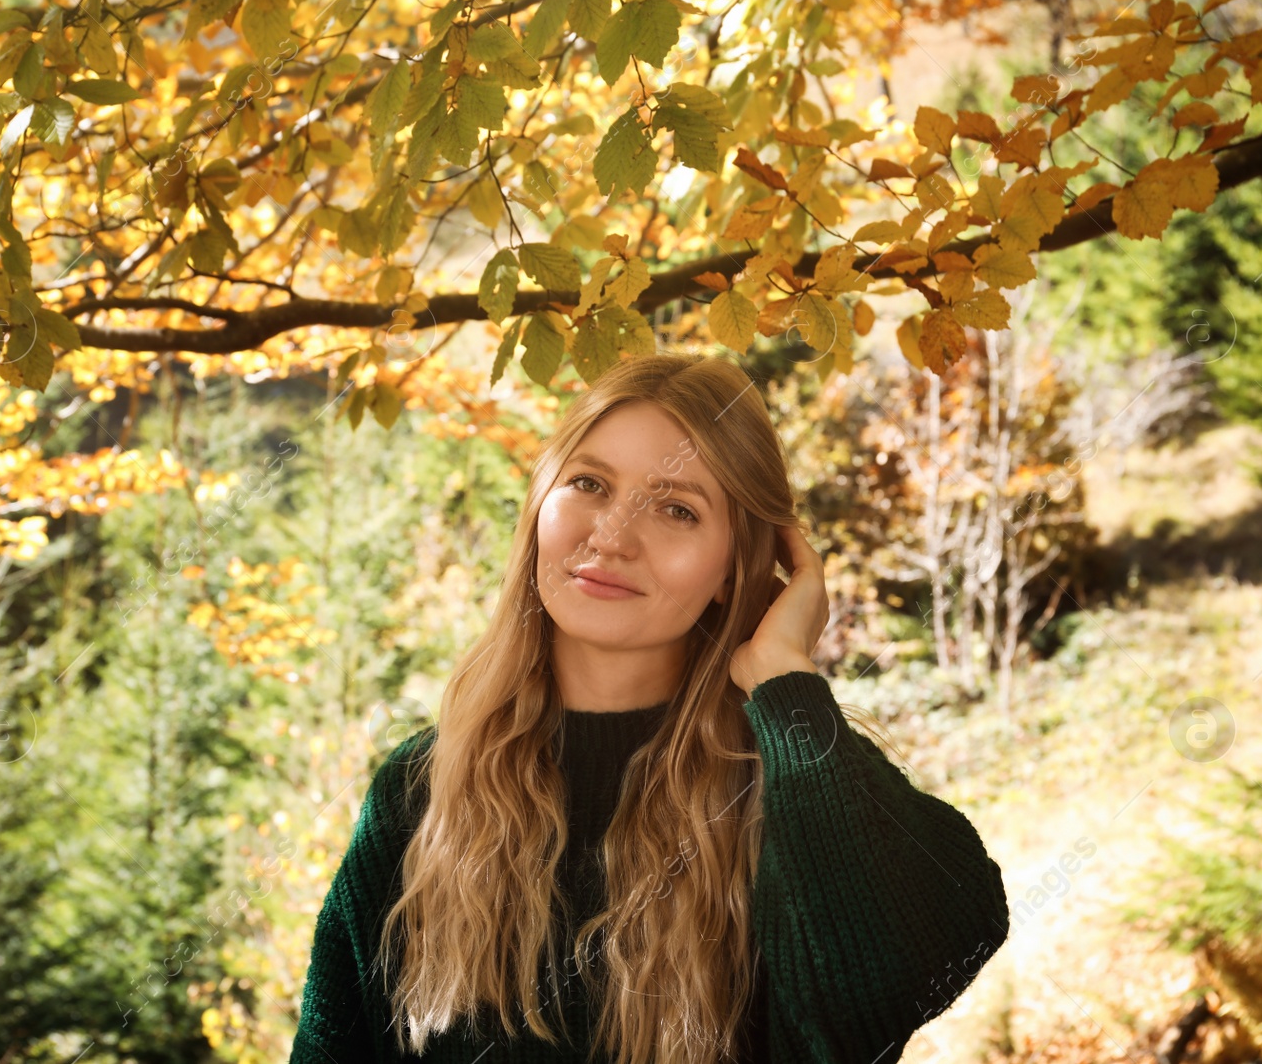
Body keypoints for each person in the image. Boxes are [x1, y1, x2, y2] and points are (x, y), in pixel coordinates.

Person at [290, 353, 1010, 1064]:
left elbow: (946, 931)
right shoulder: (422, 787)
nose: (611, 535)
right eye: (589, 483)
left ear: (737, 566)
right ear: (541, 505)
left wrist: (786, 682)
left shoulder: (789, 782)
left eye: (676, 507)